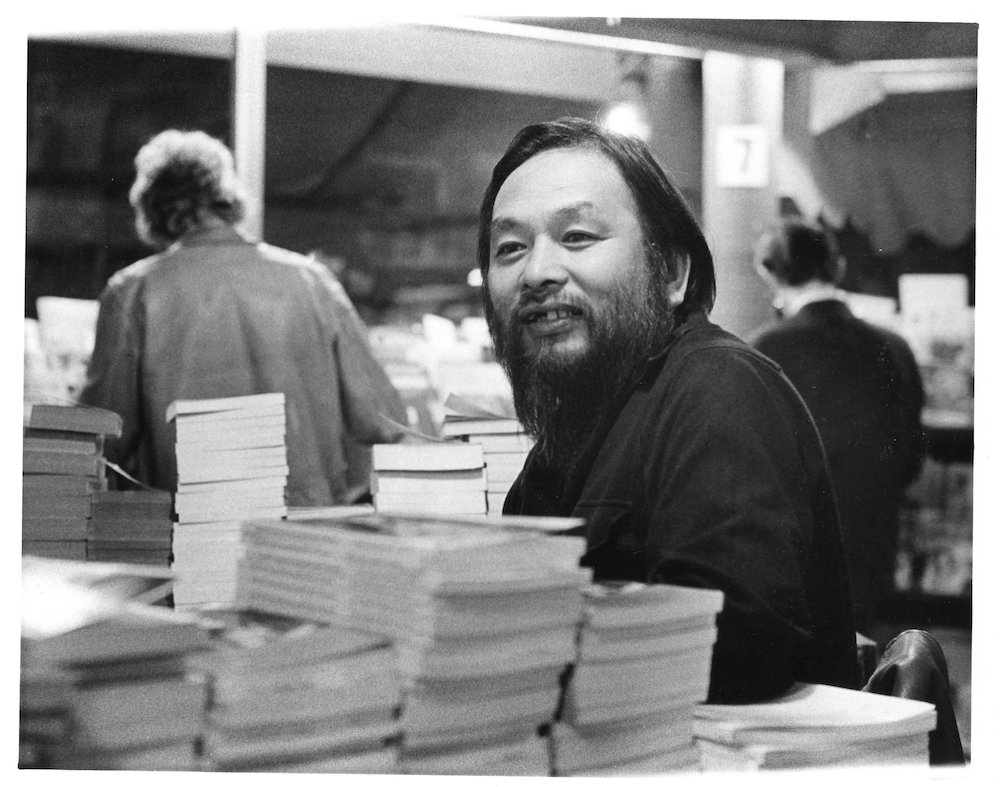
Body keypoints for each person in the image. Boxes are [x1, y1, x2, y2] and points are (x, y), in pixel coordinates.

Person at [480, 117, 857, 704]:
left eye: (577, 237)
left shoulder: (720, 389)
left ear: (673, 273)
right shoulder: (567, 435)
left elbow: (733, 648)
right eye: (510, 248)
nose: (537, 272)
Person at [78, 129, 407, 506]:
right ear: (227, 198)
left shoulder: (133, 291)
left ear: (151, 207)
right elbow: (385, 420)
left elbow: (100, 441)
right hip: (305, 528)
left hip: (189, 530)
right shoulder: (310, 280)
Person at [749, 217, 926, 633]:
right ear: (838, 268)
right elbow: (911, 458)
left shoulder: (764, 349)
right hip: (873, 547)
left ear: (769, 274)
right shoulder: (894, 347)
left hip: (790, 554)